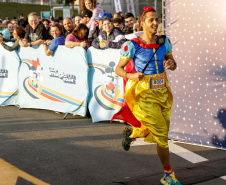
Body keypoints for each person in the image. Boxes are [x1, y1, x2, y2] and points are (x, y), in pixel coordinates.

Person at [113, 7, 181, 185]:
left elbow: (173, 64)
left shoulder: (164, 42)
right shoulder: (132, 45)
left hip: (163, 93)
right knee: (162, 135)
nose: (155, 23)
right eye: (151, 20)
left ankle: (131, 132)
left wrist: (171, 63)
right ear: (141, 23)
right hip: (144, 95)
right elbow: (118, 69)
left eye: (156, 19)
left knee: (159, 129)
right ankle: (168, 175)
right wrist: (131, 76)